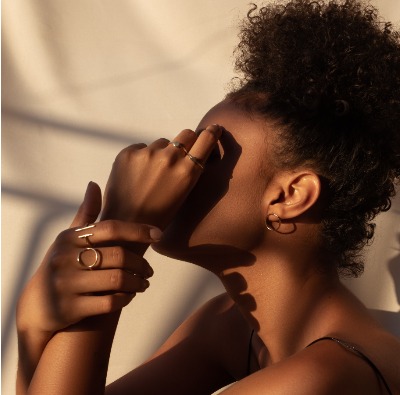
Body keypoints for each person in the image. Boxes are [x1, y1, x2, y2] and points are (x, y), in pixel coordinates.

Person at [16, 0, 400, 394]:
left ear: (290, 196)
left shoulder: (323, 377)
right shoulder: (233, 326)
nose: (173, 167)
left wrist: (121, 231)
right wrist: (33, 325)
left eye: (206, 155)